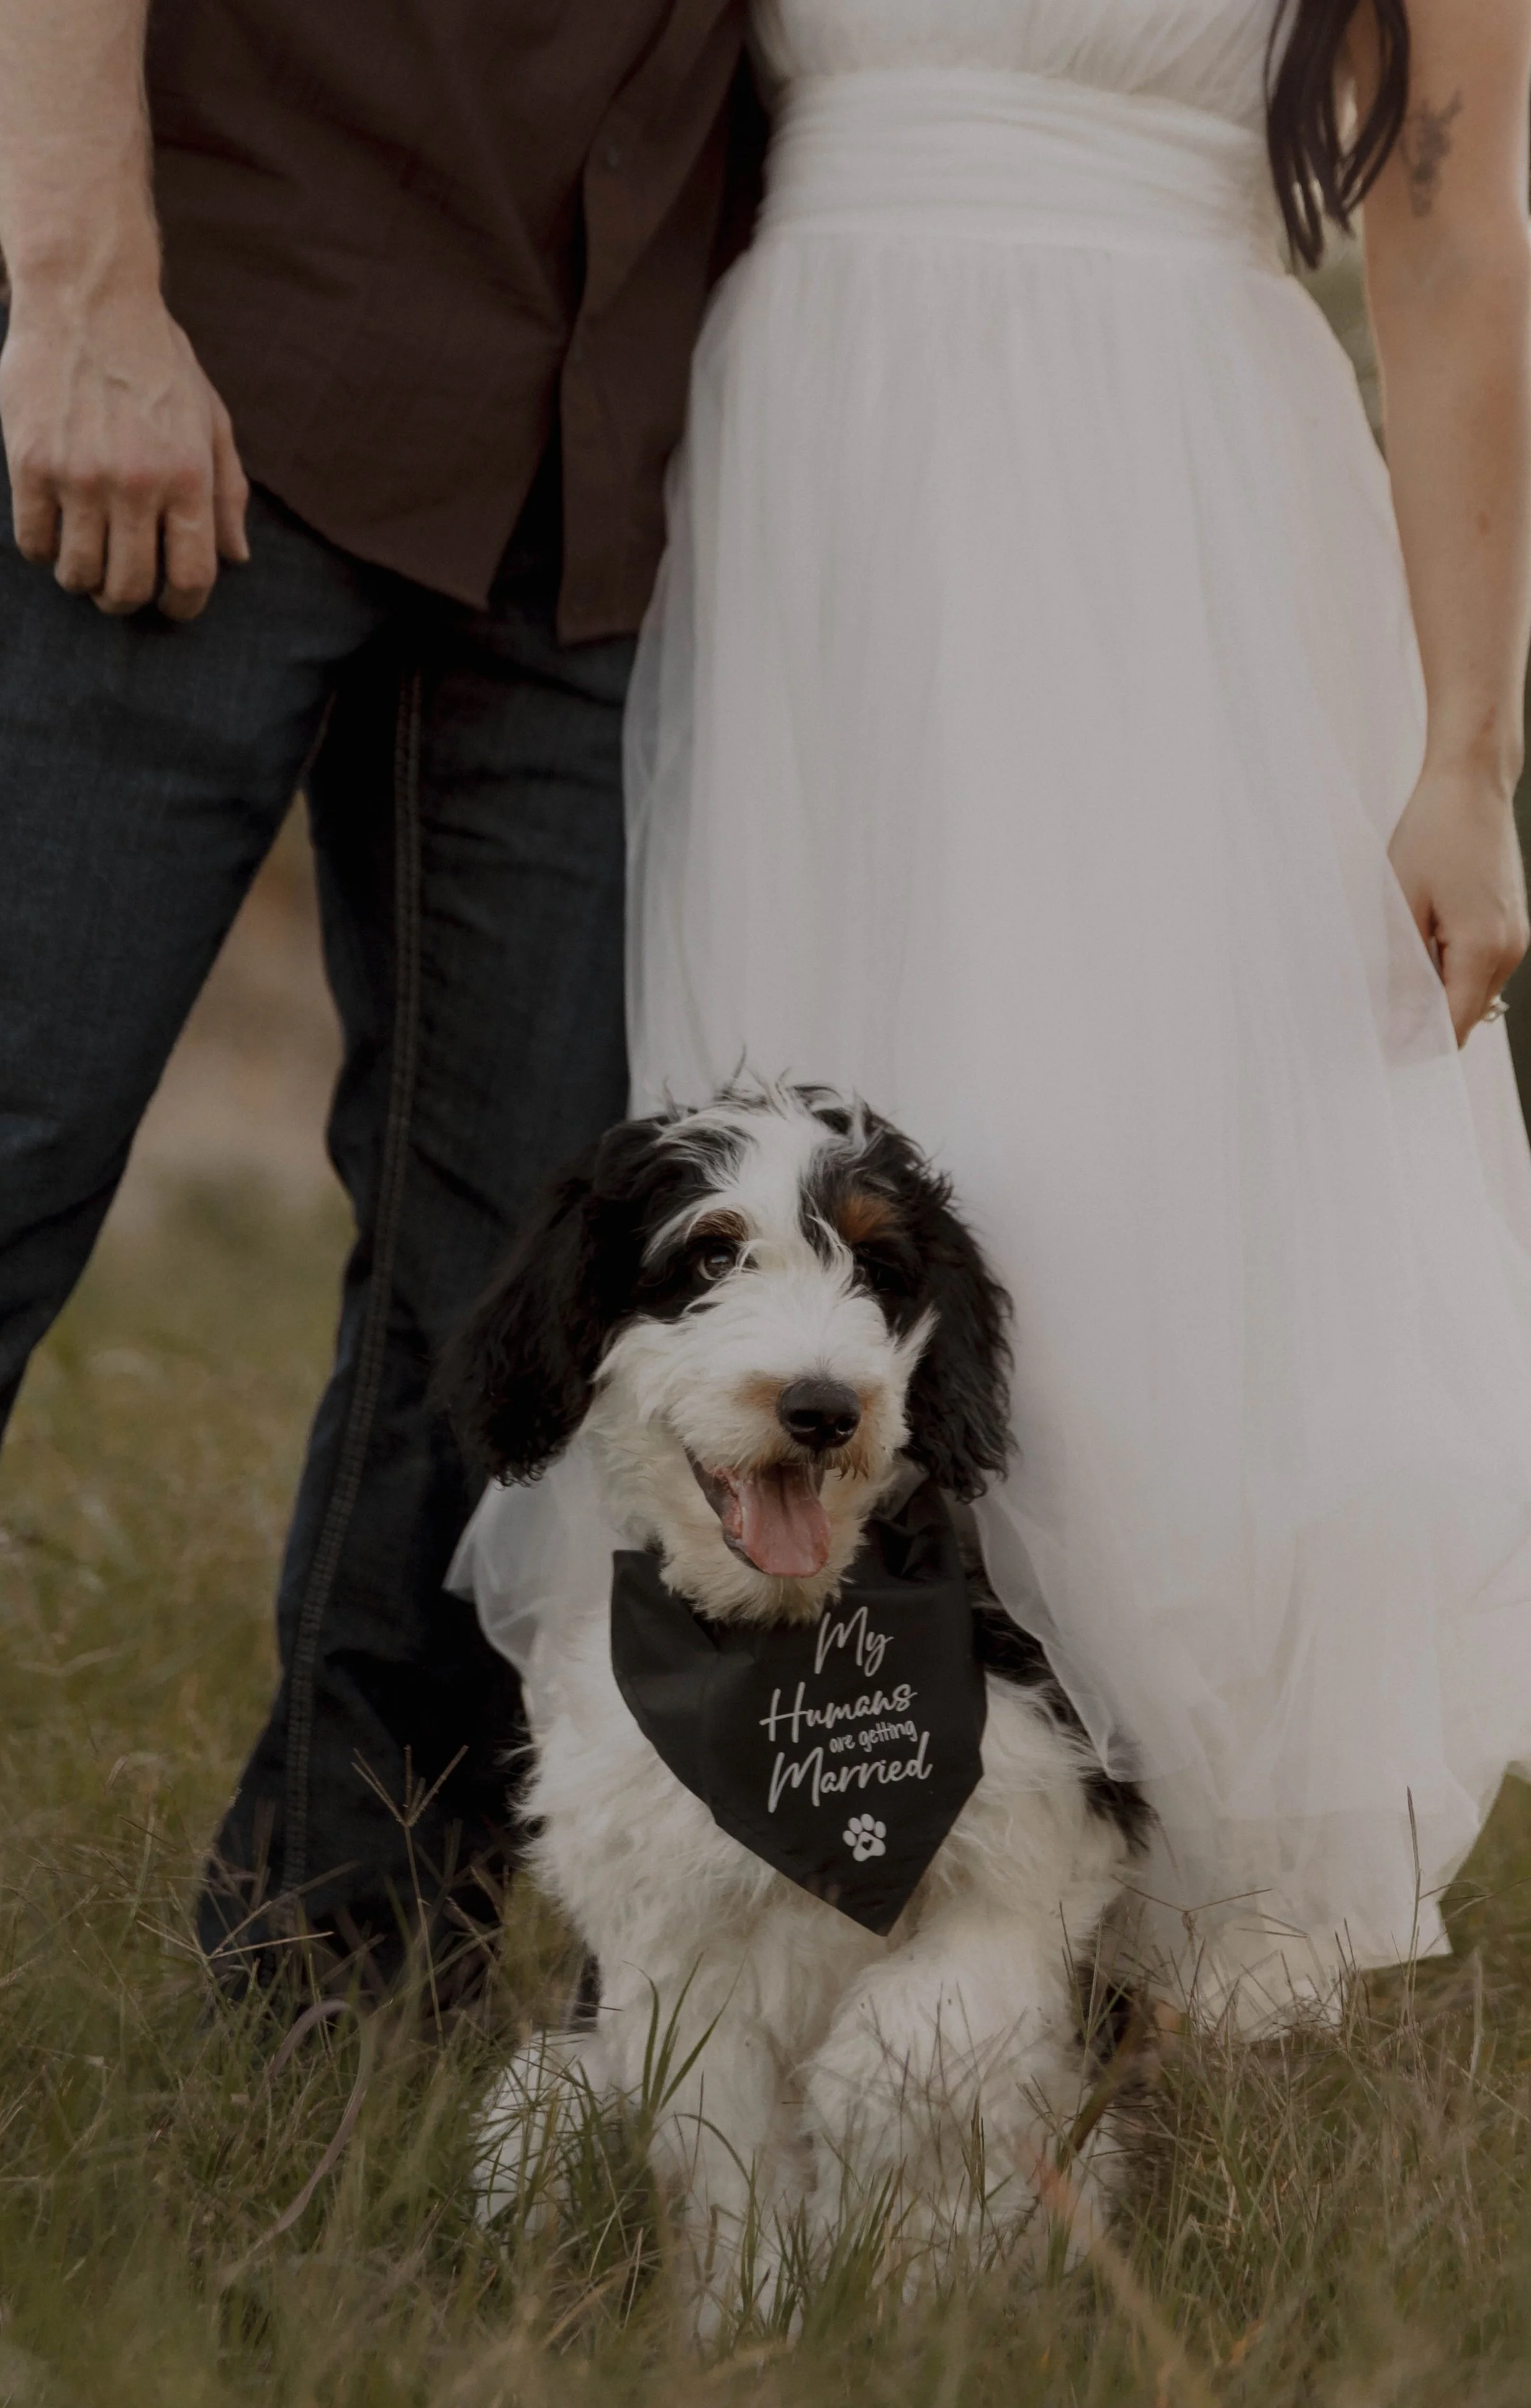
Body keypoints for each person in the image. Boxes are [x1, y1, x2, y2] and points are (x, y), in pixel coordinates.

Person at [470, 0, 1531, 2025]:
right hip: (813, 485)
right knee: (790, 1156)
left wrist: (1466, 750)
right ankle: (762, 1852)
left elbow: (1457, 235)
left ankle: (1156, 1883)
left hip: (1169, 504)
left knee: (1138, 1175)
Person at [0, 0, 762, 2001]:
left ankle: (345, 1955)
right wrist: (83, 288)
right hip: (206, 365)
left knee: (507, 1300)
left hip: (594, 501)